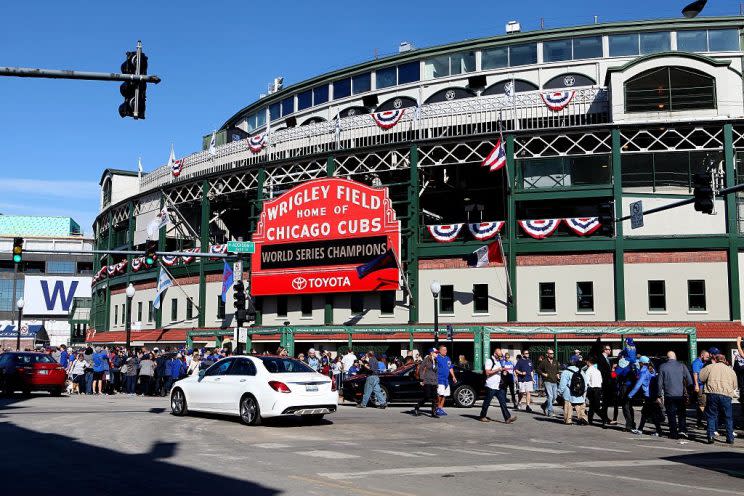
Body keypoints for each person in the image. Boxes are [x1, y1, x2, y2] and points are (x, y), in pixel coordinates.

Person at [699, 354, 738, 445]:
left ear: (715, 359)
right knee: (728, 417)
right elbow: (735, 385)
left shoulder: (710, 367)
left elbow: (701, 377)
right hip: (726, 395)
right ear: (724, 360)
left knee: (711, 415)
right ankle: (730, 438)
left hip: (712, 394)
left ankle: (711, 436)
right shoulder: (730, 370)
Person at [657, 351, 693, 440]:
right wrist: (689, 391)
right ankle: (682, 430)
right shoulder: (682, 366)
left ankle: (673, 432)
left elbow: (659, 383)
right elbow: (689, 381)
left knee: (671, 414)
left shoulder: (663, 367)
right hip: (680, 394)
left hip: (669, 394)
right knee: (681, 414)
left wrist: (658, 394)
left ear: (667, 358)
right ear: (675, 357)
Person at [479, 348, 516, 424]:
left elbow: (499, 371)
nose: (500, 357)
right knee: (487, 402)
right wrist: (498, 370)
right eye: (499, 356)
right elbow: (487, 373)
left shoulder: (498, 362)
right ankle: (482, 416)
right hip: (491, 385)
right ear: (495, 354)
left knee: (503, 402)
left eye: (501, 356)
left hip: (498, 385)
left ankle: (507, 418)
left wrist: (503, 371)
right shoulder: (489, 361)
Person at [633, 361, 663, 436]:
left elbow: (640, 385)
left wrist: (631, 394)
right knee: (646, 413)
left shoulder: (646, 374)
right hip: (653, 396)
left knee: (650, 414)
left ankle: (658, 431)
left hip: (649, 396)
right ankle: (641, 429)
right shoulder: (654, 374)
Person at [557, 360, 588, 425]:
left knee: (568, 406)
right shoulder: (581, 371)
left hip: (568, 392)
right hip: (579, 392)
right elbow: (585, 382)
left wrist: (560, 391)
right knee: (580, 406)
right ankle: (583, 418)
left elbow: (563, 384)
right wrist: (583, 390)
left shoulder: (565, 372)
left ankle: (568, 420)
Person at [414, 348, 439, 418]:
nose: (437, 354)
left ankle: (433, 413)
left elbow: (436, 372)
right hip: (427, 381)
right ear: (431, 353)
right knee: (427, 397)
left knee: (434, 398)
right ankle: (417, 406)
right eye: (436, 352)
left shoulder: (436, 361)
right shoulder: (426, 360)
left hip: (434, 381)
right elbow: (421, 368)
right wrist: (421, 379)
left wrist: (437, 382)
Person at [597, 344, 617, 425]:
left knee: (607, 402)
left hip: (609, 383)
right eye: (608, 349)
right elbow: (602, 372)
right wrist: (611, 370)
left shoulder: (608, 359)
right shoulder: (601, 359)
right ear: (604, 350)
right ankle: (604, 420)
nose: (610, 351)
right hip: (605, 383)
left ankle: (606, 418)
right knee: (605, 402)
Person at [537, 348, 560, 417]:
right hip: (547, 381)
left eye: (552, 353)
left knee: (554, 397)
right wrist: (544, 374)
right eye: (550, 353)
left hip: (554, 381)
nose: (552, 355)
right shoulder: (544, 362)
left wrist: (558, 376)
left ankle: (544, 405)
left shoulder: (555, 361)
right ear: (547, 354)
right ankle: (550, 412)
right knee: (550, 396)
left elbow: (557, 371)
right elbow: (538, 369)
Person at [691, 349, 711, 429]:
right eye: (706, 357)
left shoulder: (704, 362)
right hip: (700, 386)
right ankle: (701, 421)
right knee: (702, 403)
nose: (707, 358)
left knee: (703, 403)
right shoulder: (696, 363)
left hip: (704, 385)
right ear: (702, 355)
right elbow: (695, 374)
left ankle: (699, 421)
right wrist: (696, 385)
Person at [435, 345, 457, 416]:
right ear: (440, 350)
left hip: (446, 380)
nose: (445, 351)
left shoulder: (448, 358)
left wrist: (453, 376)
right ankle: (437, 408)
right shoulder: (437, 358)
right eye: (444, 350)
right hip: (439, 379)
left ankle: (441, 408)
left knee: (445, 394)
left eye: (446, 350)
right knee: (440, 394)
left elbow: (450, 368)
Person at [615, 358, 637, 431]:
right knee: (630, 406)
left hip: (625, 387)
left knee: (626, 407)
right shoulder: (632, 366)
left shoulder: (623, 367)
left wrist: (613, 369)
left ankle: (629, 425)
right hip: (631, 387)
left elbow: (614, 375)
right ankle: (632, 423)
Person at [585, 357, 606, 426]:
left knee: (595, 407)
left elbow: (586, 382)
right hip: (598, 389)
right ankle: (590, 420)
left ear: (588, 362)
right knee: (592, 406)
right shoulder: (597, 371)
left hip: (592, 389)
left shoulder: (588, 371)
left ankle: (604, 418)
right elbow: (601, 381)